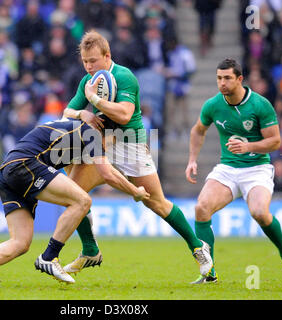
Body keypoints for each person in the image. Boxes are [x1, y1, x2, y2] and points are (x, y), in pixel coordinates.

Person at [62, 30, 213, 279]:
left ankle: (198, 247)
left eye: (93, 61)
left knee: (156, 203)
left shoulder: (124, 76)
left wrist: (94, 102)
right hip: (103, 144)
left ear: (107, 55)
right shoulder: (87, 82)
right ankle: (90, 250)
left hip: (131, 144)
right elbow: (67, 111)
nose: (88, 67)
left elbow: (123, 114)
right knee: (72, 192)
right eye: (85, 61)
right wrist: (83, 113)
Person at [0, 115, 150, 288]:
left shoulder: (75, 133)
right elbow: (107, 173)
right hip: (26, 164)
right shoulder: (90, 133)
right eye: (113, 142)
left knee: (21, 242)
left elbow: (89, 173)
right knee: (82, 201)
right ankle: (49, 256)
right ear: (106, 133)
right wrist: (135, 191)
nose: (109, 148)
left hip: (8, 170)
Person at [185, 58, 282, 284]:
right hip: (228, 168)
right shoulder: (213, 105)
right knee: (201, 208)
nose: (222, 83)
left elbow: (275, 141)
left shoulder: (260, 104)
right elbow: (198, 130)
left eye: (227, 78)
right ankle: (209, 273)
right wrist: (192, 160)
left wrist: (249, 146)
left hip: (257, 169)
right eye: (219, 78)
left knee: (260, 213)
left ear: (240, 79)